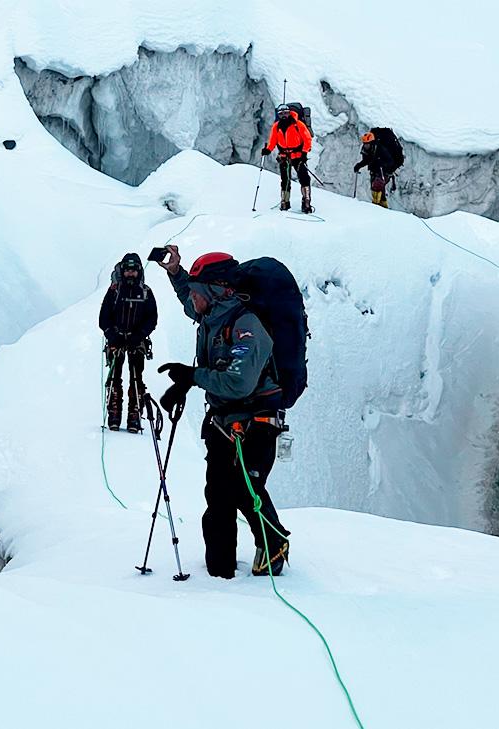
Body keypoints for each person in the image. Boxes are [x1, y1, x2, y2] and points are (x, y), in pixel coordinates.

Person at [157, 246, 291, 578]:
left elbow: (239, 383)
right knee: (218, 495)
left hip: (257, 422)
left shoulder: (247, 326)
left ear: (216, 292)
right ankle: (219, 573)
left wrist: (192, 377)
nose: (192, 299)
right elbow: (191, 302)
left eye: (198, 292)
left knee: (246, 490)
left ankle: (274, 544)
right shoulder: (212, 316)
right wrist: (176, 272)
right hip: (222, 422)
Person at [99, 252, 157, 433]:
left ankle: (134, 414)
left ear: (139, 271)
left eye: (133, 270)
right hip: (118, 338)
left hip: (136, 340)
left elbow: (152, 318)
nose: (130, 274)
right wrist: (112, 335)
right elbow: (104, 318)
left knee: (136, 377)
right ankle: (114, 414)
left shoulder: (145, 292)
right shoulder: (114, 291)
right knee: (116, 377)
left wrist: (139, 335)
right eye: (127, 270)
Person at [261, 104, 314, 213]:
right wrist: (268, 149)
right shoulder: (276, 126)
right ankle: (285, 202)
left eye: (285, 113)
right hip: (284, 157)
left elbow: (307, 139)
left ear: (289, 113)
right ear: (279, 115)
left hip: (298, 156)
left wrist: (304, 153)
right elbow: (273, 140)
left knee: (304, 178)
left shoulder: (298, 124)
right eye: (281, 114)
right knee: (285, 180)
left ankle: (306, 202)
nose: (284, 115)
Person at [353, 130, 400, 208]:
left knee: (377, 186)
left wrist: (382, 164)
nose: (365, 145)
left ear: (371, 142)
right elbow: (366, 160)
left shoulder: (380, 149)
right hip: (374, 171)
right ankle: (383, 207)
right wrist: (359, 165)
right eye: (364, 144)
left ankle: (375, 207)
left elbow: (390, 161)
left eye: (367, 144)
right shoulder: (366, 150)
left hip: (384, 171)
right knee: (380, 190)